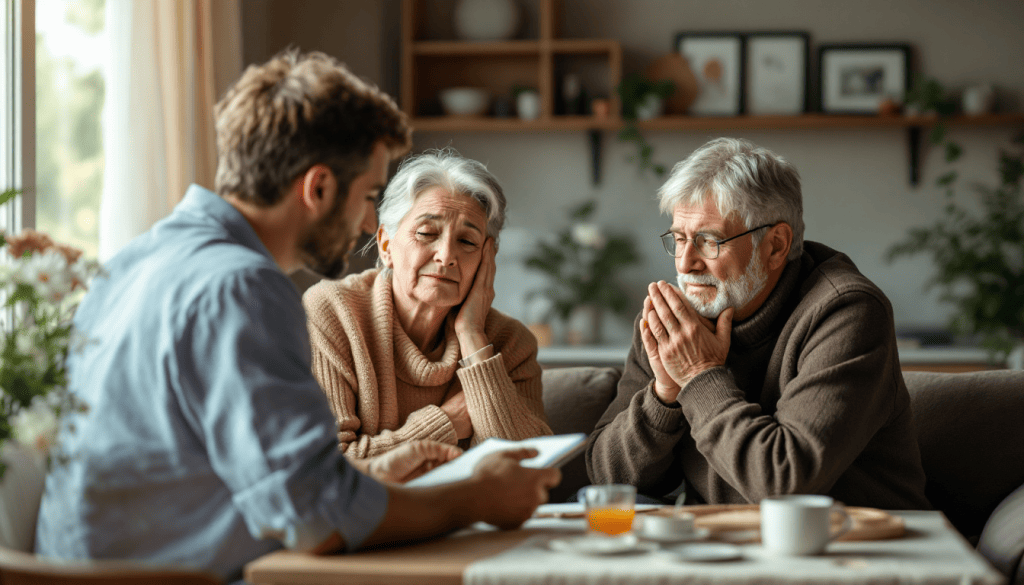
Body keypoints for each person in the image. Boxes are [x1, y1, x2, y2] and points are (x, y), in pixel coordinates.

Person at [34, 50, 560, 583]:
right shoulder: (242, 287)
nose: (363, 224)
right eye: (368, 196)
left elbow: (278, 483)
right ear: (319, 188)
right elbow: (318, 519)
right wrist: (474, 498)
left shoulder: (135, 258)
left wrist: (373, 473)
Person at [585, 137, 930, 510]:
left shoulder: (847, 311)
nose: (685, 264)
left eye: (708, 241)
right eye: (679, 238)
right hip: (721, 548)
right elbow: (606, 479)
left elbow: (784, 485)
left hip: (854, 548)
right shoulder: (675, 321)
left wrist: (699, 376)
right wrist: (664, 397)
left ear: (776, 246)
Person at [303, 150, 552, 458]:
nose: (446, 255)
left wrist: (473, 335)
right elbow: (324, 469)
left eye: (467, 241)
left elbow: (530, 468)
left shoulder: (511, 343)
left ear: (487, 258)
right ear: (385, 245)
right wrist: (446, 422)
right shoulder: (331, 312)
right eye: (426, 233)